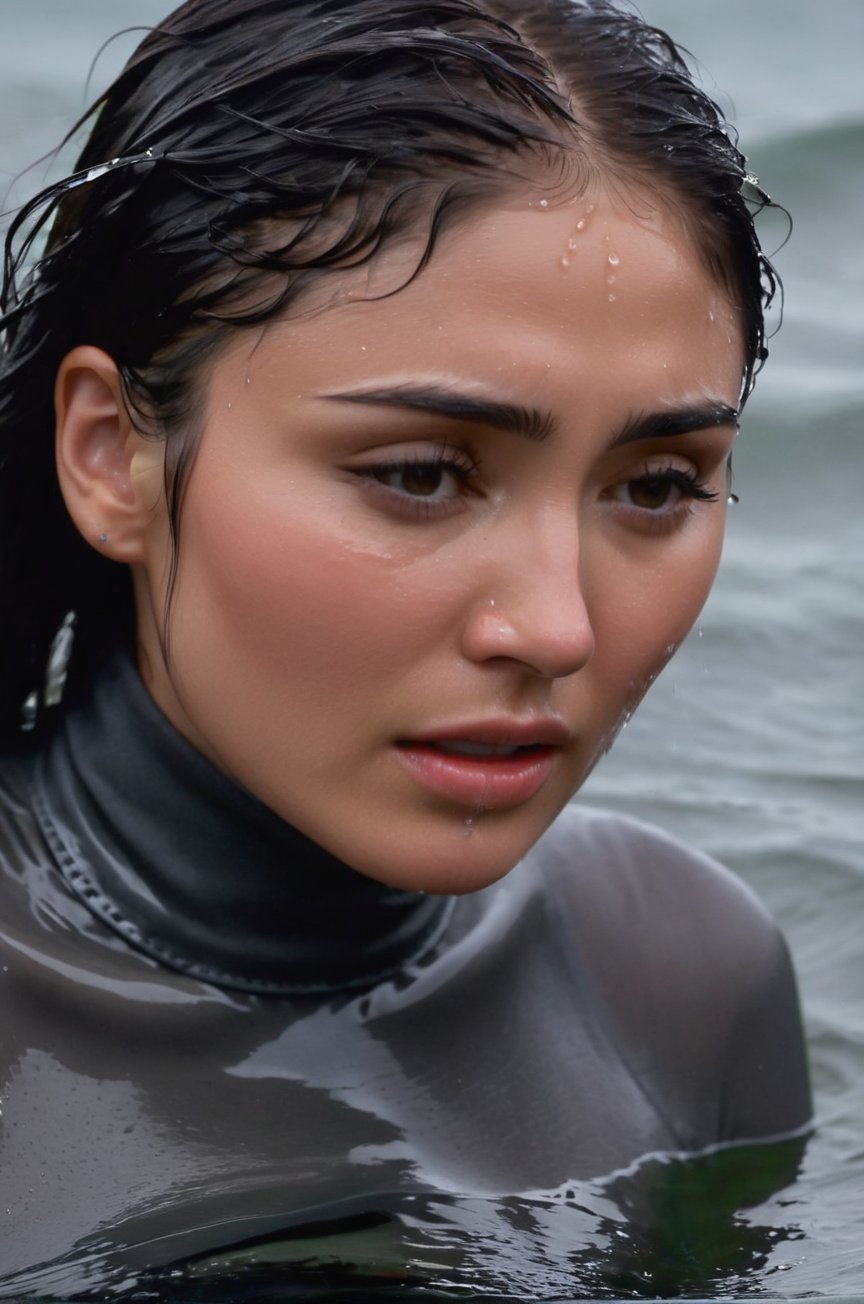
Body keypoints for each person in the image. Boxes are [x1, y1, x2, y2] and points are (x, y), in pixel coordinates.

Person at [0, 0, 812, 1296]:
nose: (557, 626)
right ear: (112, 453)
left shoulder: (680, 981)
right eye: (423, 475)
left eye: (657, 486)